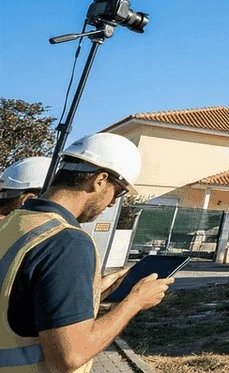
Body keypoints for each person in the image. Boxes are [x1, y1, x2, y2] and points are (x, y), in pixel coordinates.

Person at [0, 133, 174, 372]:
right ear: (100, 180)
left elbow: (19, 298)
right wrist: (135, 302)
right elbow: (69, 357)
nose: (113, 203)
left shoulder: (14, 222)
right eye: (119, 191)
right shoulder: (67, 240)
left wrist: (94, 293)